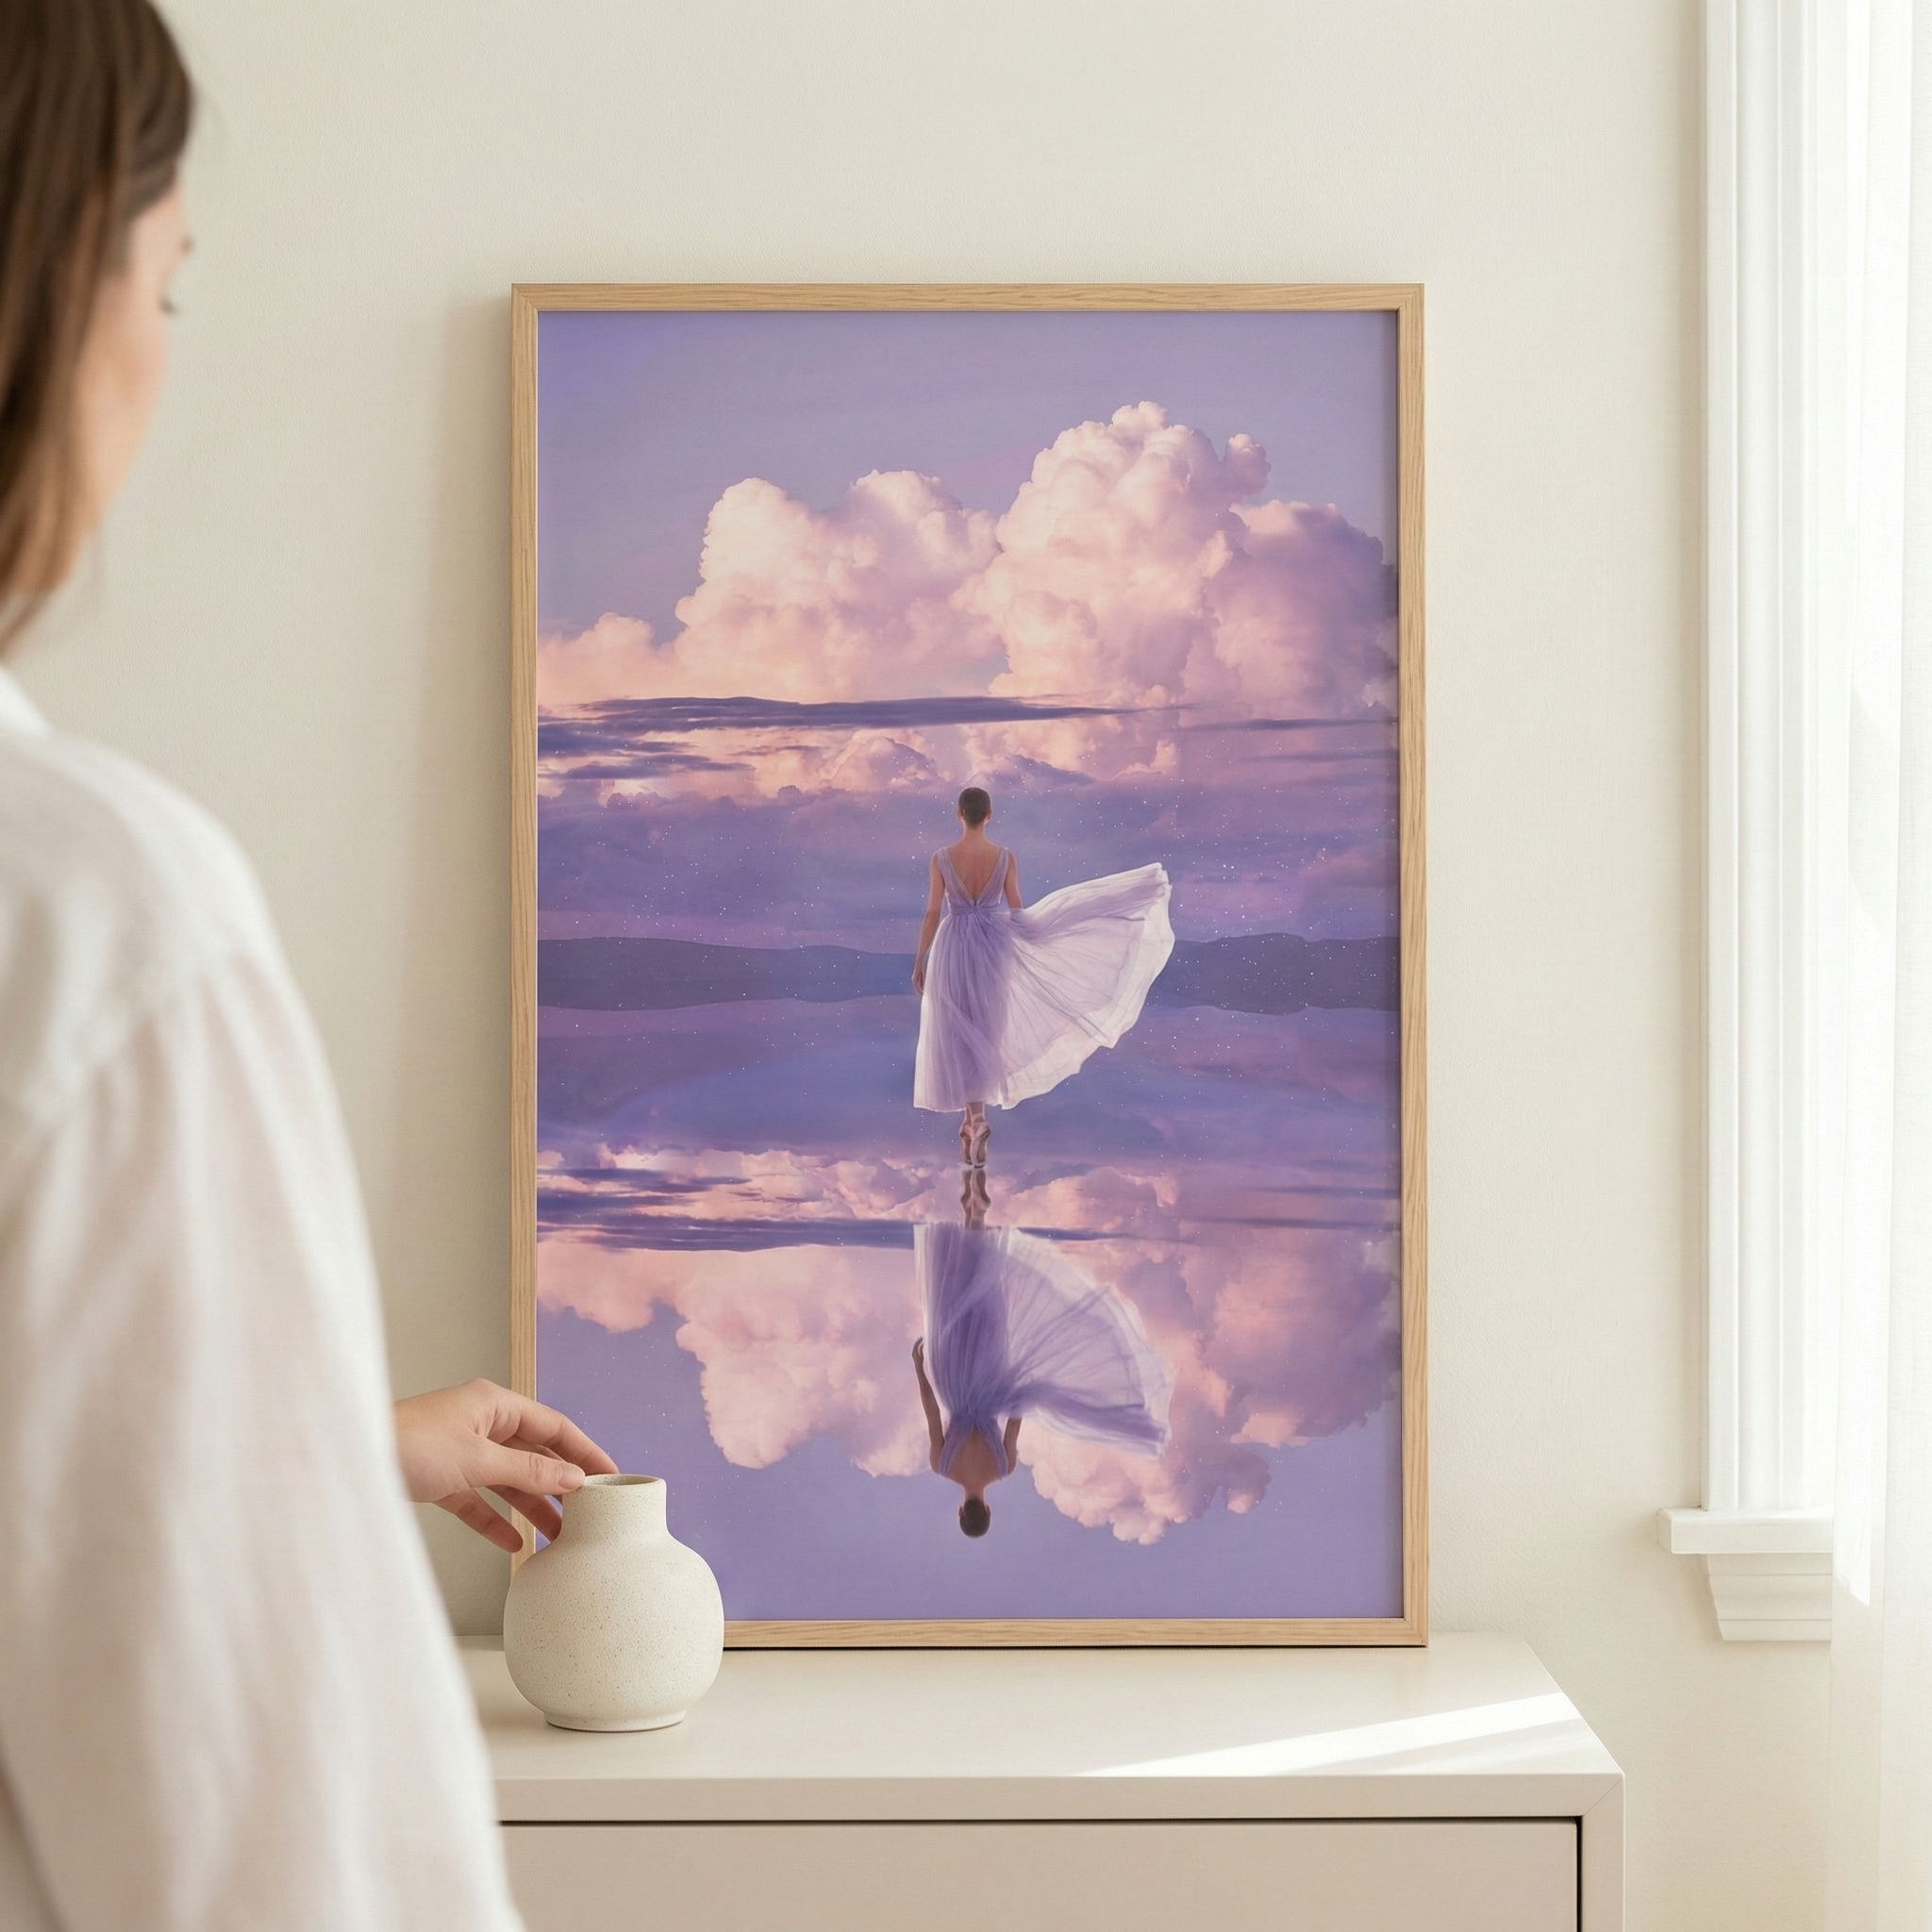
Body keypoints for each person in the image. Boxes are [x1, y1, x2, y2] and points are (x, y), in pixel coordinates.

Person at [0, 5, 612, 1925]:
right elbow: (276, 1869)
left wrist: (291, 1435)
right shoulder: (95, 932)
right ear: (47, 289)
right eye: (164, 291)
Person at [909, 785, 1175, 1166]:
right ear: (988, 816)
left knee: (956, 1030)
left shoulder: (941, 858)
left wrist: (920, 959)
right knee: (985, 1028)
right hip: (993, 945)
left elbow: (933, 912)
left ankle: (975, 1120)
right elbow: (1017, 909)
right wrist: (1043, 934)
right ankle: (974, 1122)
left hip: (952, 947)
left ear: (958, 814)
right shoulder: (1003, 857)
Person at [910, 1173, 1173, 1538]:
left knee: (986, 1296)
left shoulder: (1003, 1467)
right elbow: (930, 1409)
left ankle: (977, 1212)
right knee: (958, 1289)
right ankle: (971, 1204)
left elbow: (1016, 1412)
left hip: (989, 1376)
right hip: (953, 1376)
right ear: (960, 1512)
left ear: (986, 1509)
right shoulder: (942, 1465)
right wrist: (920, 1368)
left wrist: (1024, 1369)